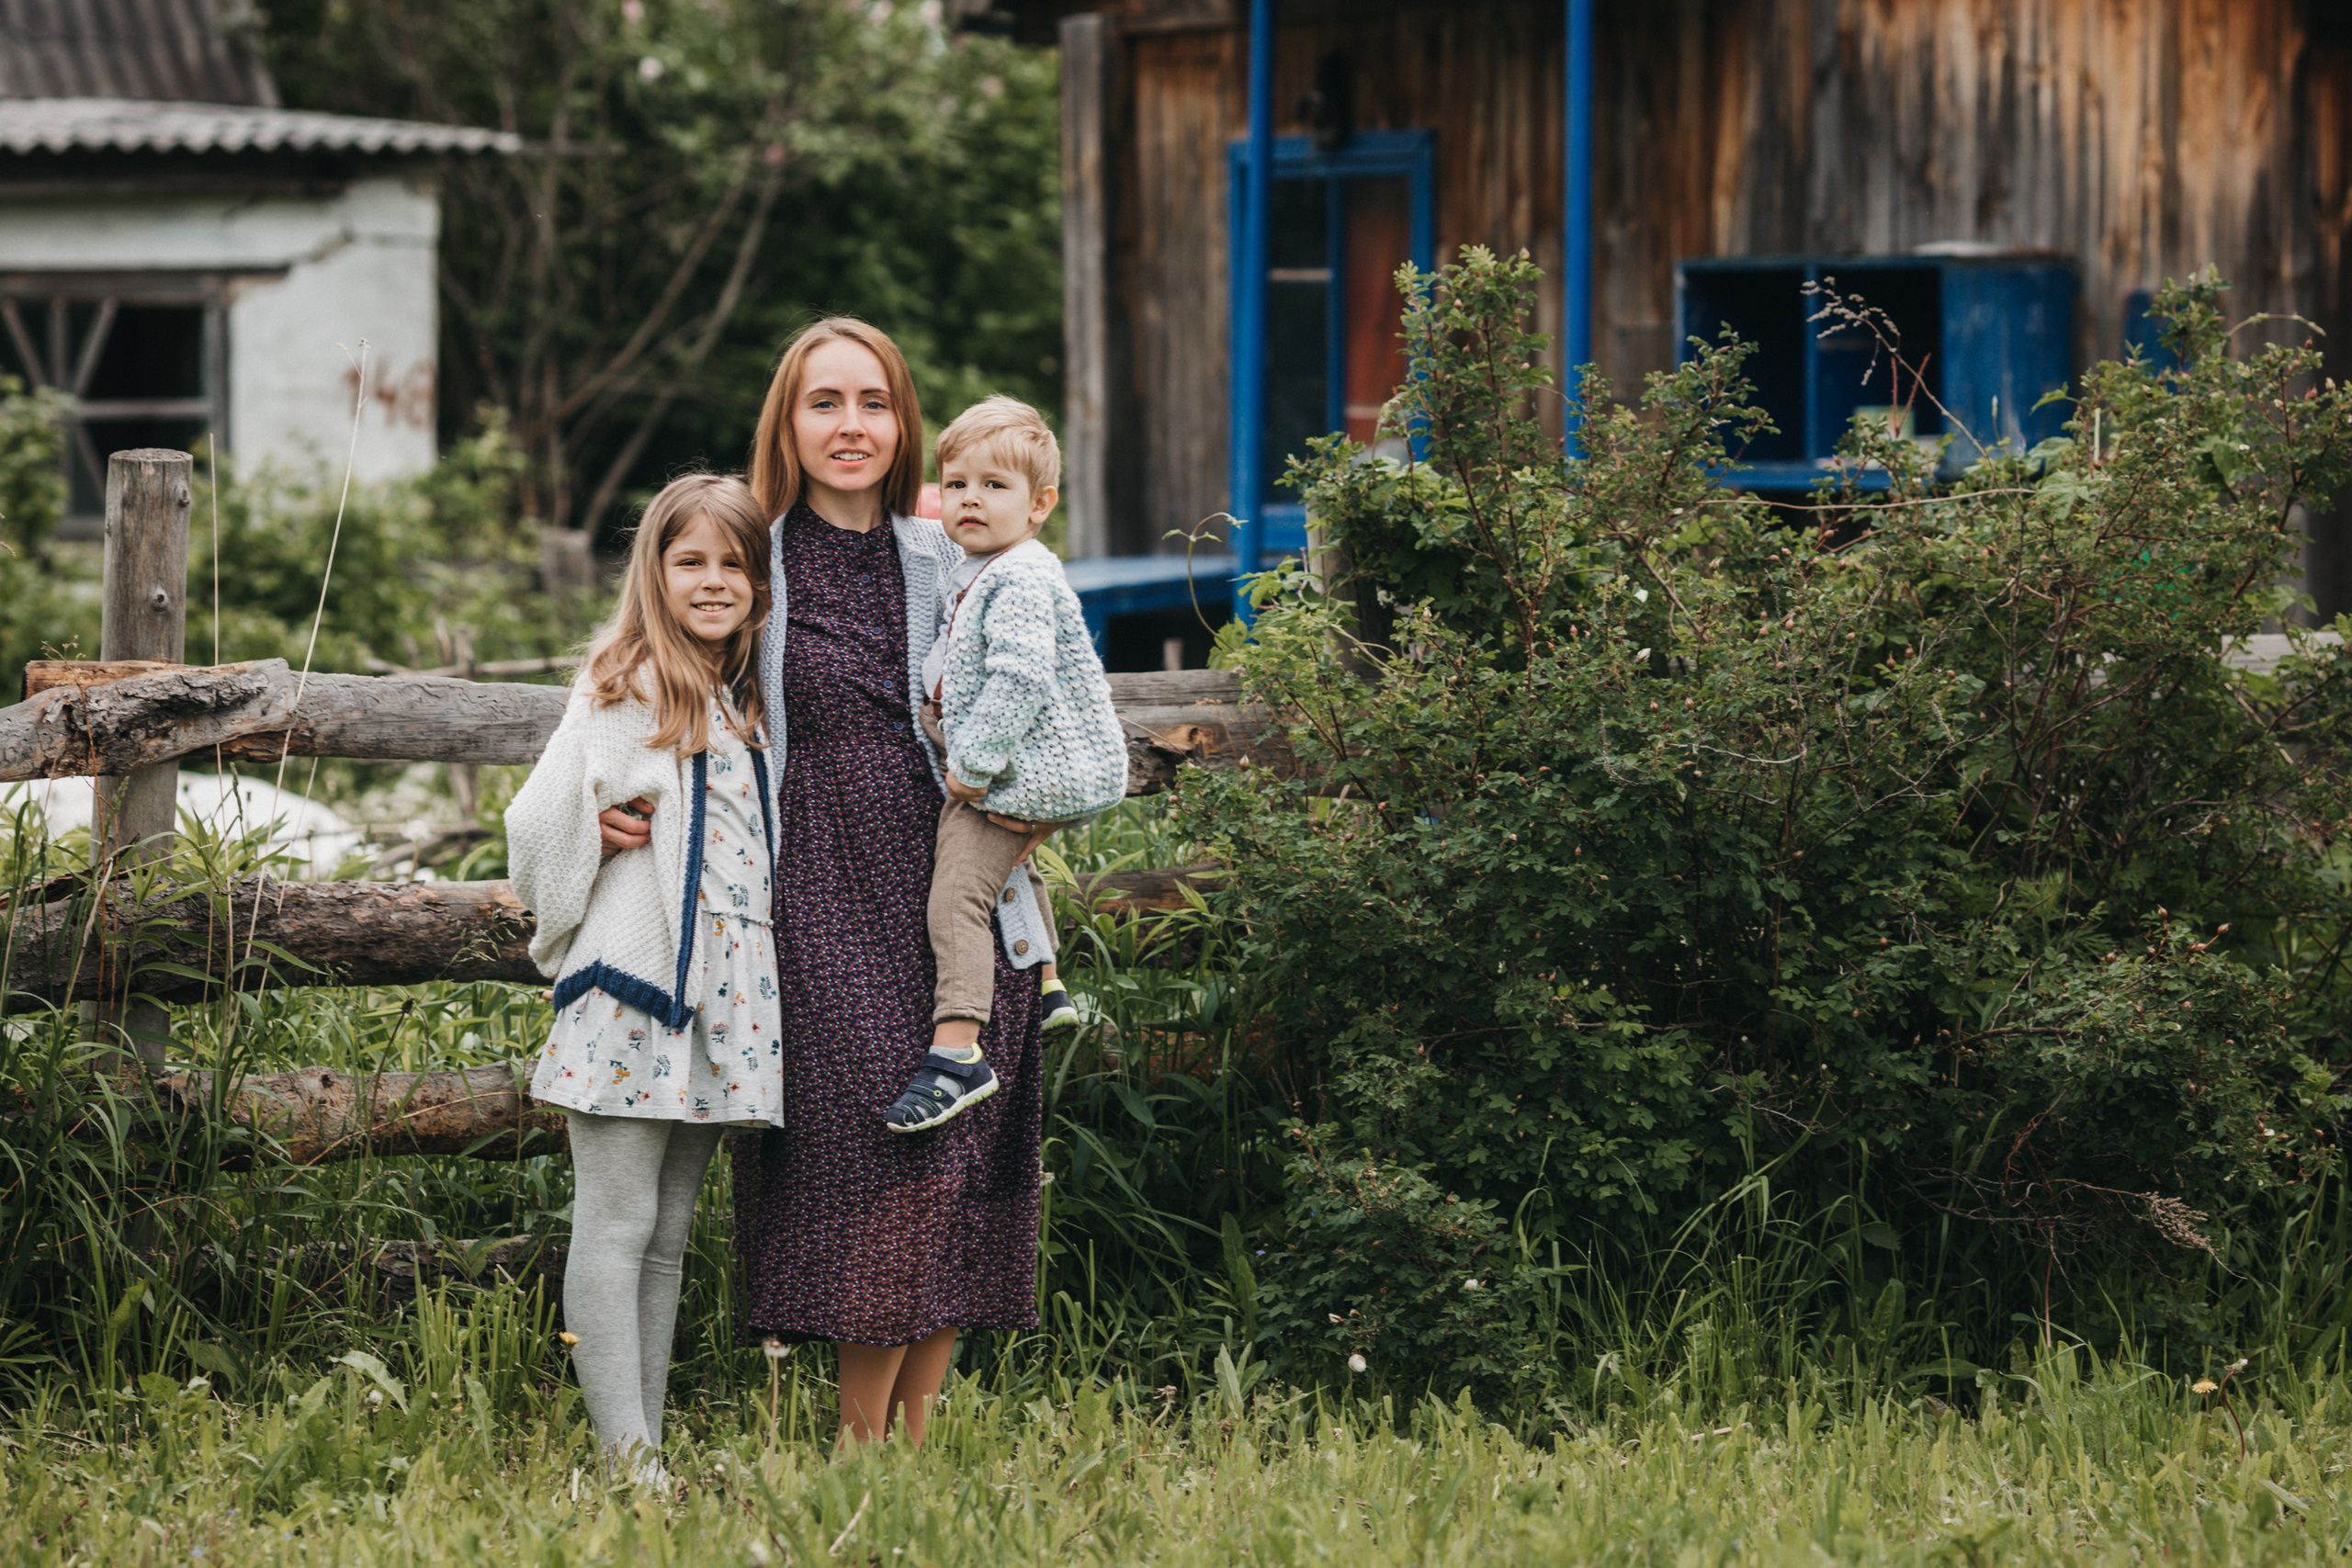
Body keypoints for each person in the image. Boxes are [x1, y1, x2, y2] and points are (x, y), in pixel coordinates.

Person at [594, 319, 1050, 1450]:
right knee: (872, 1151)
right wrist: (600, 804)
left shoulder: (959, 553)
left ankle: (912, 1441)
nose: (851, 426)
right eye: (823, 403)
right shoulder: (753, 559)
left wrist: (1033, 810)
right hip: (815, 892)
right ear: (785, 426)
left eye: (874, 403)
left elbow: (1048, 690)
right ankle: (857, 1445)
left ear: (903, 423)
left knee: (958, 1153)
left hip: (958, 884)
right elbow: (639, 675)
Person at [507, 472, 782, 1486]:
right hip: (637, 988)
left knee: (669, 1231)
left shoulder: (739, 693)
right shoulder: (628, 682)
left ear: (760, 582)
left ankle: (644, 1448)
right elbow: (537, 823)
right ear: (654, 572)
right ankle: (624, 1459)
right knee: (617, 1221)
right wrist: (599, 830)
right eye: (691, 562)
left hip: (716, 997)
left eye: (734, 565)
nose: (713, 582)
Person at [885, 396, 1125, 1134]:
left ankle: (958, 1048)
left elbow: (1018, 678)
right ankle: (1046, 978)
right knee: (1008, 867)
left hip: (1010, 770)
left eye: (994, 486)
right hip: (1023, 763)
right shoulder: (988, 567)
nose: (970, 500)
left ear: (1040, 503)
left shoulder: (1017, 578)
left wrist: (973, 767)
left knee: (955, 892)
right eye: (956, 484)